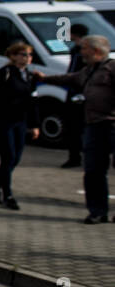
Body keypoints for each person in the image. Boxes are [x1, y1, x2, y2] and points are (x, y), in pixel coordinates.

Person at [37, 35, 115, 223]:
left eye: (84, 49)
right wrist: (45, 78)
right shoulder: (88, 70)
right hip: (94, 125)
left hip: (112, 124)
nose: (81, 53)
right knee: (93, 170)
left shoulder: (112, 68)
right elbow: (70, 78)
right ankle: (97, 211)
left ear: (96, 51)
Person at [0, 41, 40, 211]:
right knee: (8, 157)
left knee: (15, 159)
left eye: (30, 55)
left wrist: (34, 125)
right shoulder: (3, 74)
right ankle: (8, 194)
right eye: (23, 54)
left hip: (20, 121)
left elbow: (32, 102)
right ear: (13, 56)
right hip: (2, 121)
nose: (27, 58)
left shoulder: (30, 76)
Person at [61, 23, 89, 168]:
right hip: (83, 93)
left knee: (74, 128)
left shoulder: (79, 51)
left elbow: (73, 72)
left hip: (77, 93)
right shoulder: (86, 49)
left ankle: (75, 157)